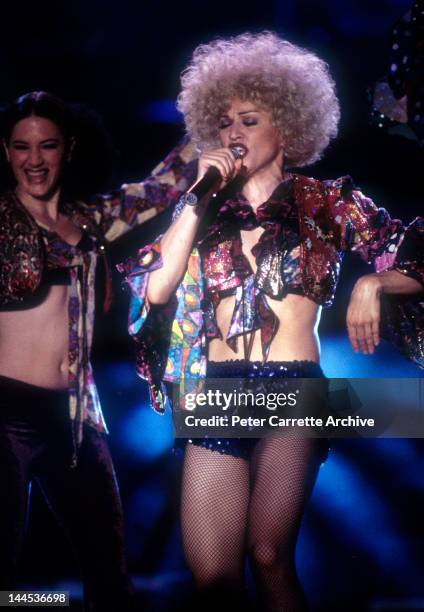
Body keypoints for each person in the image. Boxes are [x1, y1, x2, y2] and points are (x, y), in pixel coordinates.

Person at [119, 33, 424, 611]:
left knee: (267, 555)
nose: (233, 134)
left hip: (295, 387)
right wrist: (195, 198)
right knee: (212, 580)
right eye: (225, 122)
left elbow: (415, 257)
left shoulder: (328, 202)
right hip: (216, 391)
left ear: (287, 124)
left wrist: (374, 282)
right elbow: (156, 289)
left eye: (250, 120)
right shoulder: (205, 212)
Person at [0, 91, 195, 611]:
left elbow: (160, 189)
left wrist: (208, 121)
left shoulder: (89, 222)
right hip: (4, 413)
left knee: (110, 575)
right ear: (5, 152)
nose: (34, 159)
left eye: (47, 145)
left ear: (69, 149)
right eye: (21, 147)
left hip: (75, 416)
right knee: (6, 583)